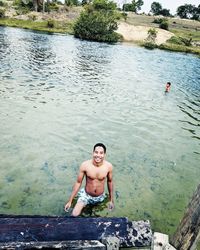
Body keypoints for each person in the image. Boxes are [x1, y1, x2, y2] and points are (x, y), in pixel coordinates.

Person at [64, 143, 114, 216]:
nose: (98, 155)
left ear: (104, 154)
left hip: (100, 197)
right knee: (74, 214)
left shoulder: (108, 166)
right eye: (96, 152)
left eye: (101, 153)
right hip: (86, 195)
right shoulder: (85, 165)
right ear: (93, 152)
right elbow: (78, 182)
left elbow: (110, 182)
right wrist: (70, 201)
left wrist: (111, 200)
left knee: (97, 216)